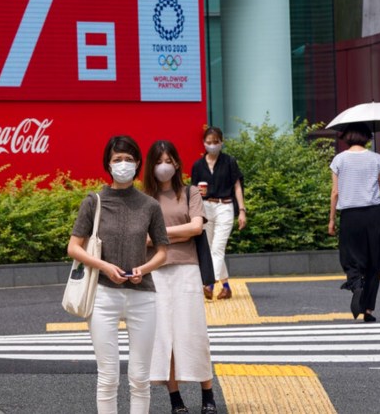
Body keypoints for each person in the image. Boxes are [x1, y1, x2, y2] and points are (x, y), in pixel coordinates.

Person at [67, 135, 169, 414]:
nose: (123, 164)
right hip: (102, 294)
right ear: (107, 164)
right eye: (117, 159)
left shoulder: (150, 205)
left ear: (137, 164)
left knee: (139, 378)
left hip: (142, 295)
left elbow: (162, 252)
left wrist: (144, 269)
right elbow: (73, 247)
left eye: (128, 159)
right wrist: (104, 266)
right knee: (108, 376)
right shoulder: (94, 201)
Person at [142, 140, 217, 414]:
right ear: (152, 164)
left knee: (194, 333)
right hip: (156, 272)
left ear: (177, 163)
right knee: (165, 337)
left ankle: (207, 395)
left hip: (187, 269)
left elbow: (197, 227)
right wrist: (179, 232)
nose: (165, 165)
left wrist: (159, 235)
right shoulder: (144, 199)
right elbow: (142, 239)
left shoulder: (190, 192)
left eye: (170, 159)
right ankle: (176, 400)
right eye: (160, 160)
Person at [327, 123, 380, 322]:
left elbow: (335, 192)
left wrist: (331, 220)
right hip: (374, 215)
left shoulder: (339, 159)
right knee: (374, 262)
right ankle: (368, 311)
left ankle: (356, 285)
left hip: (350, 215)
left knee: (350, 256)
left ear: (347, 136)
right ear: (367, 137)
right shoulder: (377, 158)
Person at [191, 127, 246, 301]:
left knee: (217, 248)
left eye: (216, 142)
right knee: (210, 249)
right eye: (209, 142)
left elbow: (237, 186)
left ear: (222, 142)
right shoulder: (198, 165)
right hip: (205, 207)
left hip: (225, 206)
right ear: (203, 143)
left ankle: (209, 284)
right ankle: (226, 287)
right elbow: (193, 190)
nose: (212, 145)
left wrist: (242, 211)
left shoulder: (229, 161)